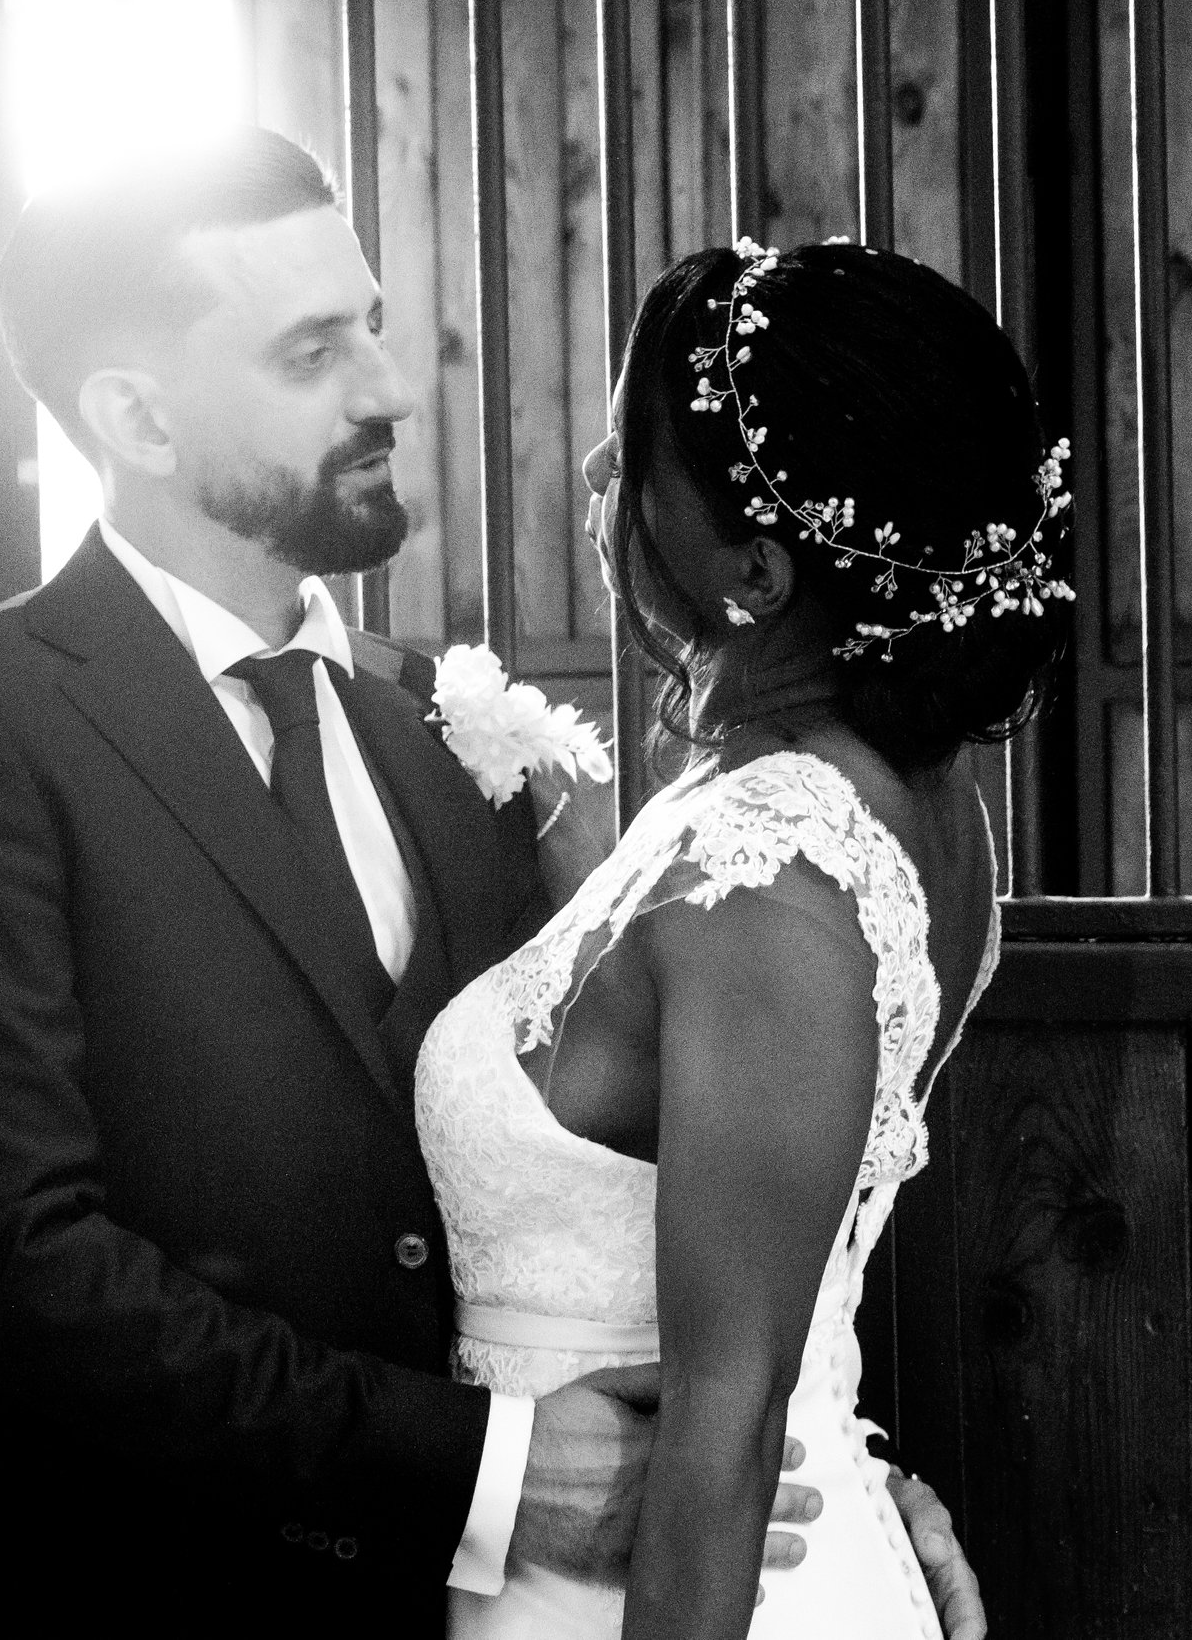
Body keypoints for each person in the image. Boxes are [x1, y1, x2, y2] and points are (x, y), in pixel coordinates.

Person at [0, 129, 978, 1635]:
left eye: (369, 320)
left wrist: (843, 1504)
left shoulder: (443, 726)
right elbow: (19, 1274)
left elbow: (648, 1178)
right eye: (313, 352)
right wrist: (485, 1473)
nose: (386, 387)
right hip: (143, 1598)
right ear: (139, 418)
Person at [416, 237, 1068, 1637]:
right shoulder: (879, 796)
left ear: (759, 573)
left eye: (625, 457)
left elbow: (725, 1422)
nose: (599, 489)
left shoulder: (763, 887)